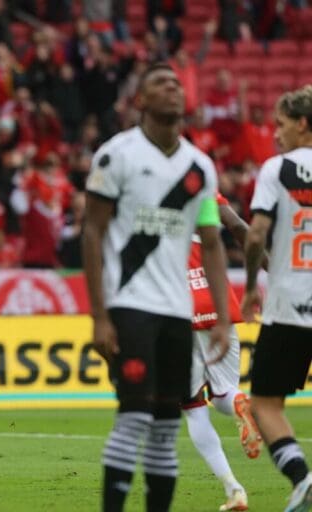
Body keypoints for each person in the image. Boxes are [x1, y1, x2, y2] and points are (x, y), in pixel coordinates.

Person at [82, 63, 231, 512]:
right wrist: (99, 315)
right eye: (160, 84)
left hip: (177, 313)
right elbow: (92, 233)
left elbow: (211, 242)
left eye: (176, 83)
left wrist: (223, 318)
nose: (173, 88)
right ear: (141, 101)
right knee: (133, 417)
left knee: (168, 426)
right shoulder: (116, 155)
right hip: (129, 307)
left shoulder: (200, 168)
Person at [242, 85, 312, 512]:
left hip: (289, 304)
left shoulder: (277, 169)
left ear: (303, 124)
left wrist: (252, 282)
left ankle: (302, 480)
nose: (275, 134)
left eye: (281, 125)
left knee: (264, 403)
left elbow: (255, 235)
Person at [182, 194, 263, 512]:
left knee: (192, 406)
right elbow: (236, 224)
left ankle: (234, 489)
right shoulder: (202, 184)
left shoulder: (144, 189)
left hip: (180, 305)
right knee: (224, 392)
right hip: (216, 299)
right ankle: (240, 401)